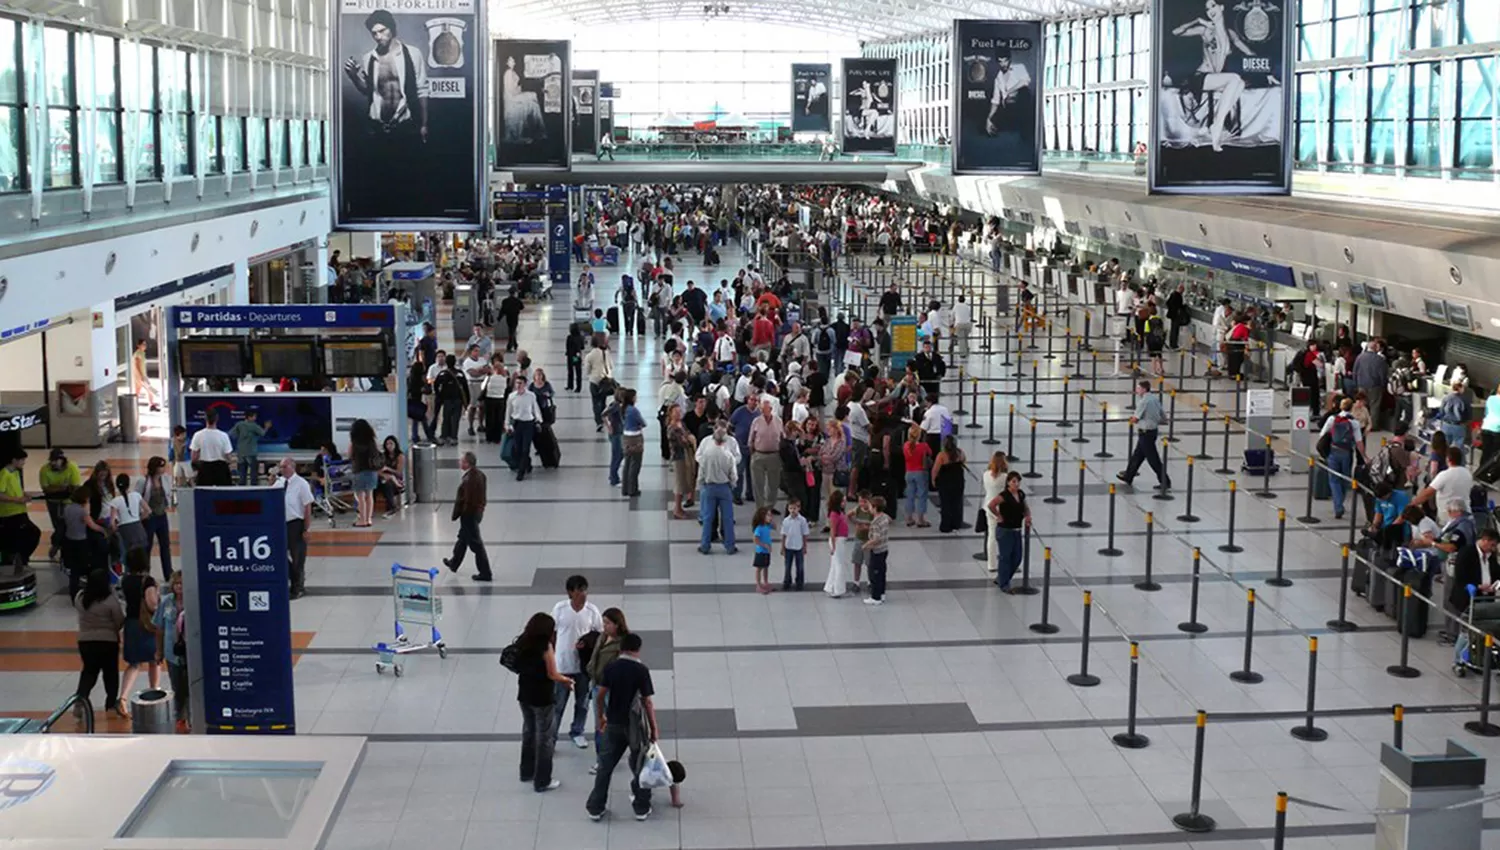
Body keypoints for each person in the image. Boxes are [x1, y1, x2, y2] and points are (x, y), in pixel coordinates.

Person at [340, 10, 432, 218]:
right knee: (380, 178)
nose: (378, 36)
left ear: (392, 29)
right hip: (378, 127)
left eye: (382, 31)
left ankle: (409, 214)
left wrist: (424, 124)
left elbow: (422, 90)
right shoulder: (369, 58)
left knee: (408, 176)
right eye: (374, 33)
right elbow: (369, 91)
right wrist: (354, 77)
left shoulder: (412, 54)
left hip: (405, 125)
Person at [586, 632, 659, 822]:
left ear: (621, 648)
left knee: (605, 767)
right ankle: (641, 807)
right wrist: (653, 728)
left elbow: (600, 694)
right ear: (638, 649)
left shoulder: (611, 667)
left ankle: (596, 807)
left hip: (613, 723)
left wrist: (600, 716)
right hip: (635, 726)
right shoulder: (641, 670)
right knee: (640, 765)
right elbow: (647, 702)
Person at [511, 612, 573, 792]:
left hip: (524, 694)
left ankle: (526, 771)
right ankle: (542, 780)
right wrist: (566, 680)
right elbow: (552, 673)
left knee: (529, 732)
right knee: (544, 738)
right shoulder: (545, 646)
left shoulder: (522, 641)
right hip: (542, 697)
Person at [550, 574, 603, 750]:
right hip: (562, 665)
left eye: (585, 590)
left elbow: (599, 635)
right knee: (558, 704)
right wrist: (553, 655)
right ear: (570, 592)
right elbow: (552, 633)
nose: (583, 594)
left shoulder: (592, 611)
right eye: (579, 590)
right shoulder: (560, 608)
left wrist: (587, 643)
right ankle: (551, 738)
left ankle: (577, 731)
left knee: (582, 703)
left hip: (583, 667)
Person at [74, 568, 125, 718]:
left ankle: (80, 700)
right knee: (110, 674)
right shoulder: (110, 600)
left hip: (85, 641)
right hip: (108, 642)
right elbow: (119, 620)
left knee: (88, 672)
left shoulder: (80, 597)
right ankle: (110, 704)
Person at [584, 607, 629, 772]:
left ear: (617, 624)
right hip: (596, 683)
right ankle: (602, 758)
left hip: (611, 688)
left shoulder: (622, 644)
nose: (605, 626)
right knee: (600, 723)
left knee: (611, 723)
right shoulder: (602, 637)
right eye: (604, 623)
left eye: (608, 623)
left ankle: (610, 754)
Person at [117, 550, 159, 719]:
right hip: (146, 624)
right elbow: (152, 604)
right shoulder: (147, 581)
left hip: (131, 623)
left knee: (134, 663)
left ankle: (122, 698)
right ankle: (155, 693)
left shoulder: (126, 580)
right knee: (154, 660)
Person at [443, 451, 491, 581]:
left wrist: (462, 513)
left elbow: (468, 500)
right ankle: (454, 563)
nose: (459, 462)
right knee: (463, 538)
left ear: (467, 463)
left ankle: (485, 572)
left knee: (476, 544)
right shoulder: (479, 474)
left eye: (461, 461)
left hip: (470, 515)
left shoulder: (470, 479)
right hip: (477, 512)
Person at [1117, 380, 1172, 491]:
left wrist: (1131, 419)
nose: (1136, 390)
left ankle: (1165, 481)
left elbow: (1136, 418)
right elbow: (1163, 416)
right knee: (1137, 456)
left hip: (1145, 432)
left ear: (1144, 389)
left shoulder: (1143, 402)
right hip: (1152, 431)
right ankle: (1128, 476)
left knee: (1153, 459)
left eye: (1138, 388)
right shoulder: (1155, 399)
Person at [153, 569, 189, 732]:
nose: (179, 586)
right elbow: (159, 628)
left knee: (190, 686)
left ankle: (191, 716)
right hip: (171, 652)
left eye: (182, 583)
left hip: (190, 652)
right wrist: (159, 651)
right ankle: (180, 716)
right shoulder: (166, 602)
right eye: (176, 584)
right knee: (177, 686)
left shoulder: (193, 600)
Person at [1319, 399, 1366, 520]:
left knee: (1333, 480)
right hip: (1347, 453)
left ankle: (1338, 506)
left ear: (1340, 407)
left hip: (1333, 452)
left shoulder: (1332, 419)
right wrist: (1364, 456)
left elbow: (1322, 435)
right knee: (1345, 479)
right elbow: (1359, 442)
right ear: (1351, 408)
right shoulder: (1354, 422)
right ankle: (1340, 502)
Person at [988, 471, 1030, 592]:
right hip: (1005, 530)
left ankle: (1002, 577)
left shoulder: (1020, 494)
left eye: (1018, 481)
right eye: (1013, 481)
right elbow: (991, 505)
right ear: (1008, 482)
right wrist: (998, 515)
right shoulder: (1004, 495)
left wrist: (1027, 516)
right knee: (1005, 557)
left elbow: (1025, 507)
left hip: (1017, 530)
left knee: (1017, 557)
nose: (1016, 484)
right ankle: (1004, 583)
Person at [39, 449, 81, 562]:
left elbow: (75, 488)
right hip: (53, 502)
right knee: (58, 526)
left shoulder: (72, 468)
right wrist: (62, 488)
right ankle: (58, 544)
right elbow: (46, 489)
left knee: (66, 526)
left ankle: (59, 545)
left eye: (56, 460)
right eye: (52, 461)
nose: (53, 463)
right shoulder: (44, 470)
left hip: (68, 502)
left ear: (62, 460)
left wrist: (55, 488)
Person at [136, 457, 173, 579]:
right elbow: (137, 498)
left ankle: (168, 573)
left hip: (162, 515)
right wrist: (142, 513)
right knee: (147, 546)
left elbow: (168, 493)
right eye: (161, 466)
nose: (163, 469)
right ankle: (145, 572)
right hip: (149, 518)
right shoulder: (143, 481)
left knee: (165, 545)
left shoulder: (165, 479)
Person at [1413, 446, 1474, 515]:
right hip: (1465, 513)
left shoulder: (1444, 475)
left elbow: (1427, 494)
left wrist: (1412, 504)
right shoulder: (1468, 474)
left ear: (1448, 459)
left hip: (1447, 515)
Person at [748, 399, 784, 514]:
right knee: (758, 484)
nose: (763, 411)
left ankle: (770, 506)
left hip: (774, 455)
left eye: (766, 409)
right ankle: (760, 508)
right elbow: (751, 439)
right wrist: (753, 453)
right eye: (762, 409)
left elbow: (782, 437)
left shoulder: (778, 421)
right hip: (759, 455)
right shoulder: (756, 421)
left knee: (773, 483)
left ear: (771, 409)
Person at [108, 473, 150, 563]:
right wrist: (138, 519)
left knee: (129, 559)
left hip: (125, 531)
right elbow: (148, 511)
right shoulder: (136, 495)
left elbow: (112, 523)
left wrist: (115, 530)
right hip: (138, 529)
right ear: (129, 484)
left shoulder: (115, 501)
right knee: (142, 558)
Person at [505, 375, 540, 481]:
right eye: (517, 383)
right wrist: (507, 424)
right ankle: (527, 464)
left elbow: (535, 409)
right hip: (517, 424)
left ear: (525, 384)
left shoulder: (531, 396)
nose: (518, 385)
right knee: (518, 448)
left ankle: (521, 471)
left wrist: (538, 421)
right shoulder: (512, 396)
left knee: (526, 448)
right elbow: (508, 412)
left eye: (520, 383)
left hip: (528, 424)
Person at [347, 418, 379, 527]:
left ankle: (362, 520)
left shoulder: (354, 444)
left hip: (359, 472)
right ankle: (369, 519)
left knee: (360, 497)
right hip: (372, 472)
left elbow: (349, 456)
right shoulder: (372, 442)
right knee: (369, 496)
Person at [932, 435, 967, 533]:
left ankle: (946, 525)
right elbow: (964, 461)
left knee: (946, 504)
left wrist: (933, 480)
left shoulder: (942, 455)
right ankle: (956, 523)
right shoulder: (960, 453)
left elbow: (935, 469)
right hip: (958, 481)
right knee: (957, 503)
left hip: (945, 482)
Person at [189, 411, 235, 486]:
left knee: (204, 491)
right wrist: (230, 462)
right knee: (224, 492)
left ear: (205, 419)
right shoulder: (223, 435)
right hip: (221, 468)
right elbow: (228, 456)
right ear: (217, 419)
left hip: (205, 468)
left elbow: (193, 457)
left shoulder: (198, 435)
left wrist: (196, 467)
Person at [227, 410, 270, 485]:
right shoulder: (254, 426)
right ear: (249, 417)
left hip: (241, 453)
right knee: (253, 475)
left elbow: (231, 434)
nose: (255, 418)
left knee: (242, 475)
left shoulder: (239, 424)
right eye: (254, 416)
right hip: (251, 453)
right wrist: (267, 427)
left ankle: (242, 490)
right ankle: (253, 490)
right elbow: (262, 433)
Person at [1353, 340, 1388, 430]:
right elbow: (1383, 375)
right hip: (1375, 385)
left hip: (1361, 384)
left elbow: (1355, 371)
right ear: (1375, 348)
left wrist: (1356, 383)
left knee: (1362, 405)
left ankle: (1362, 423)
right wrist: (1383, 385)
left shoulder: (1360, 357)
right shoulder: (1379, 359)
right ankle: (1373, 426)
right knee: (1374, 405)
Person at [823, 490, 852, 597]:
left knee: (835, 564)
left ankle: (830, 586)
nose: (844, 503)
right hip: (837, 540)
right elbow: (833, 530)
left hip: (840, 540)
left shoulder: (840, 512)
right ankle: (838, 590)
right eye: (842, 501)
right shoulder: (834, 514)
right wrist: (833, 545)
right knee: (839, 565)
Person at [902, 424, 932, 527]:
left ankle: (909, 518)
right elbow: (930, 453)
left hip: (908, 472)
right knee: (921, 495)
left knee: (910, 495)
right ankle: (920, 519)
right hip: (920, 473)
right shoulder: (923, 446)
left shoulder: (906, 445)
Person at [619, 388, 647, 498]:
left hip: (626, 437)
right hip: (635, 438)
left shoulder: (623, 409)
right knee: (635, 464)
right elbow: (643, 423)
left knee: (627, 463)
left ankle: (625, 488)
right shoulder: (633, 410)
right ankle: (632, 489)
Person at [863, 496, 891, 605]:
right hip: (884, 549)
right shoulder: (884, 517)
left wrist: (866, 545)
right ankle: (882, 593)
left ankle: (876, 597)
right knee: (882, 573)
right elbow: (889, 520)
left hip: (877, 551)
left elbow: (876, 538)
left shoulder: (875, 522)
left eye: (870, 506)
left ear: (875, 508)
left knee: (874, 574)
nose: (869, 508)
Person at [780, 498, 810, 591]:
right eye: (791, 508)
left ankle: (799, 582)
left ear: (798, 508)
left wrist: (805, 546)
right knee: (787, 566)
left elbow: (805, 534)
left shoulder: (802, 520)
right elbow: (784, 535)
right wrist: (782, 547)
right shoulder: (786, 521)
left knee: (800, 566)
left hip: (799, 546)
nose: (793, 510)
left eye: (794, 508)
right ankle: (787, 582)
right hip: (788, 546)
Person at [584, 337, 614, 430]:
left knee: (595, 402)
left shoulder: (589, 356)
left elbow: (587, 371)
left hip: (594, 381)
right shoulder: (606, 353)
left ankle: (598, 422)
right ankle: (604, 418)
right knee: (603, 401)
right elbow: (611, 366)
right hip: (605, 381)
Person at [376, 437, 405, 517]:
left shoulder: (400, 456)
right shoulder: (383, 455)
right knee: (375, 483)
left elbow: (399, 473)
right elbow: (378, 470)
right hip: (384, 477)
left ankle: (391, 507)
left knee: (387, 484)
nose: (389, 446)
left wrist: (388, 469)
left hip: (396, 481)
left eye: (391, 443)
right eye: (387, 444)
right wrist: (385, 475)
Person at [131, 337, 161, 412]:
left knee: (138, 391)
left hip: (140, 375)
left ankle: (134, 406)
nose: (145, 346)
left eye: (145, 344)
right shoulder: (138, 354)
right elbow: (137, 365)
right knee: (149, 389)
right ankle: (151, 405)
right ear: (138, 345)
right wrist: (141, 376)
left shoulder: (142, 353)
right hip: (140, 376)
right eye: (143, 344)